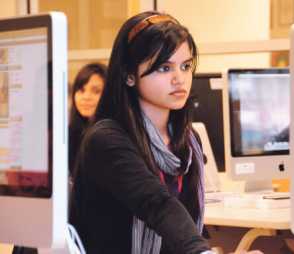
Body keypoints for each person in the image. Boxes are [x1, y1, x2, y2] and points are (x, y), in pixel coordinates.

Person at [69, 11, 215, 254]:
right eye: (164, 68)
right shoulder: (106, 139)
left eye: (186, 66)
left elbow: (188, 223)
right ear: (129, 75)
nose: (180, 79)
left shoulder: (189, 142)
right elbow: (156, 203)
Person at [68, 62, 107, 176]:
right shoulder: (70, 133)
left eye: (96, 91)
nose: (86, 97)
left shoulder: (112, 136)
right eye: (81, 90)